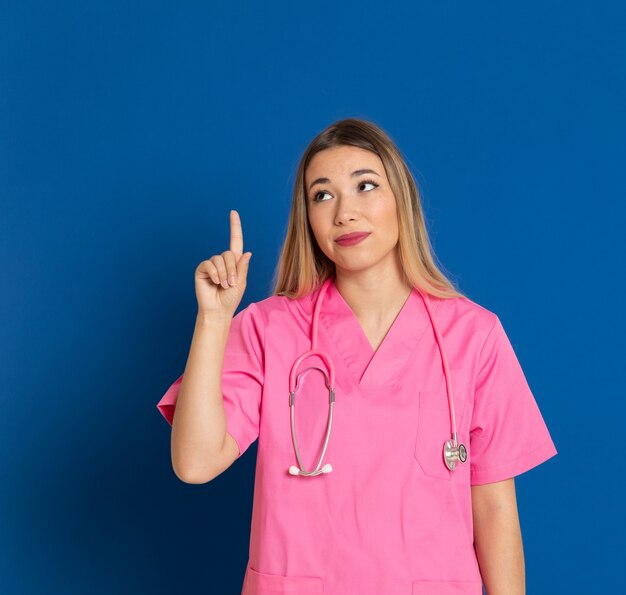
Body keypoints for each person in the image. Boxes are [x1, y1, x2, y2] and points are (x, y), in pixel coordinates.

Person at [156, 117, 558, 595]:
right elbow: (195, 463)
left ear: (400, 200)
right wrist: (215, 319)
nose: (344, 212)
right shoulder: (269, 328)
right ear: (307, 218)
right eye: (322, 195)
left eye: (365, 186)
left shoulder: (474, 335)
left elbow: (494, 509)